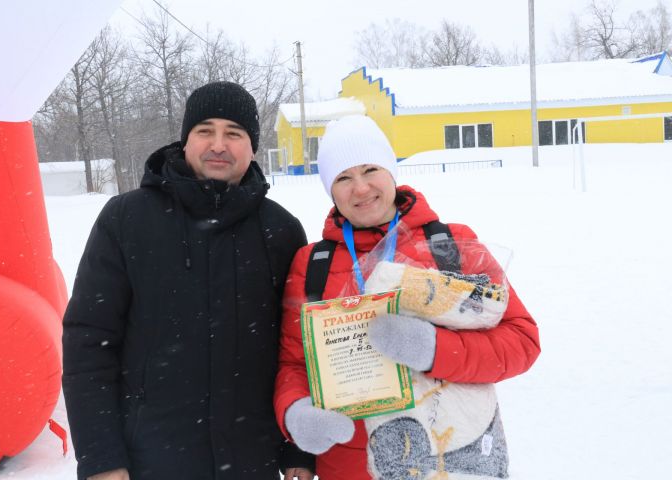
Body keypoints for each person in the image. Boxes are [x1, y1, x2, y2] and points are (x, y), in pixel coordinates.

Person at [62, 81, 314, 480]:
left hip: (252, 460)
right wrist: (101, 459)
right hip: (151, 460)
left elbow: (301, 349)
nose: (219, 144)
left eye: (234, 133)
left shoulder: (280, 230)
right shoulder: (127, 219)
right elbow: (89, 343)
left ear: (252, 147)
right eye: (205, 131)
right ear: (184, 141)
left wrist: (299, 448)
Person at [274, 115, 541, 479]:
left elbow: (521, 342)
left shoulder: (451, 245)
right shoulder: (313, 264)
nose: (361, 188)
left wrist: (433, 349)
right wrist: (296, 414)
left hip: (450, 461)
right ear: (330, 191)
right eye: (343, 178)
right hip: (349, 465)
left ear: (391, 171)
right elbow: (294, 364)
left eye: (371, 169)